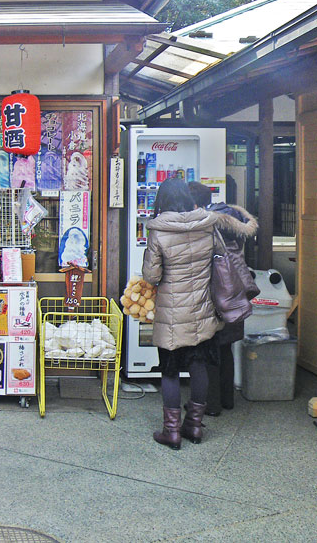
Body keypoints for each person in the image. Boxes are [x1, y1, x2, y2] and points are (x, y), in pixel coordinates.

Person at [142, 178, 219, 450]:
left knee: (171, 370)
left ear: (161, 201)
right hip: (201, 306)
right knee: (199, 365)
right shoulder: (207, 224)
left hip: (173, 311)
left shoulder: (159, 232)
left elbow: (151, 276)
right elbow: (218, 258)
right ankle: (194, 426)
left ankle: (171, 432)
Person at [188, 180, 258, 415]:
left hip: (216, 292)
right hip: (235, 291)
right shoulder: (232, 220)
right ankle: (227, 399)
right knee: (225, 348)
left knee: (209, 349)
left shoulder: (208, 224)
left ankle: (211, 404)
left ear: (195, 202)